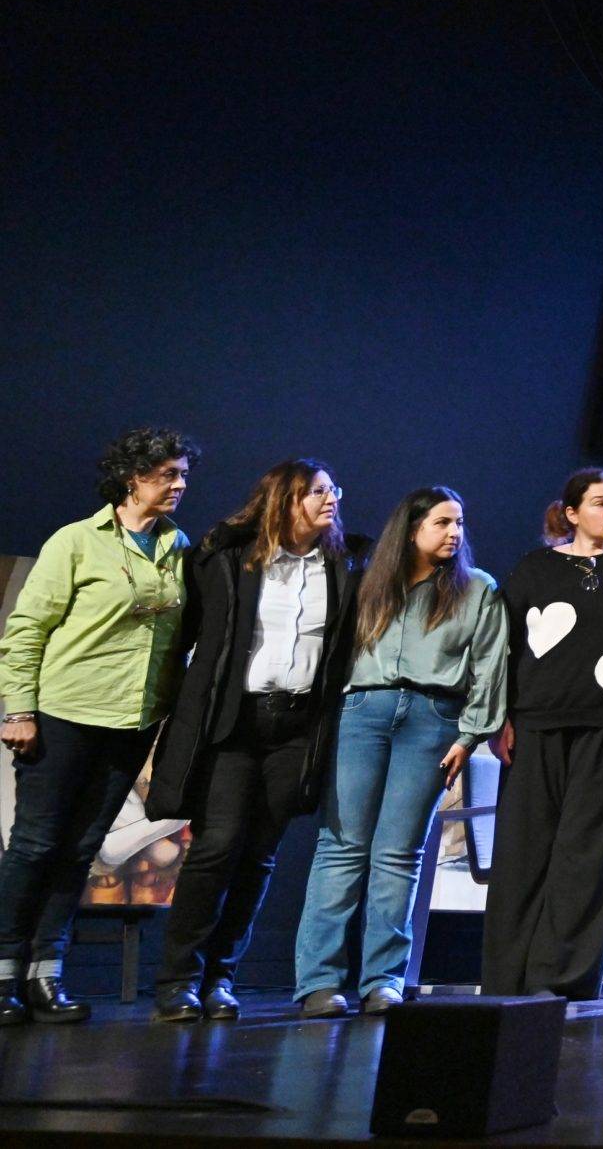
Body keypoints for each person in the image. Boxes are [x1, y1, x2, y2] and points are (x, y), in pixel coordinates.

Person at [147, 460, 364, 1023]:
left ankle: (221, 978)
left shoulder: (343, 565)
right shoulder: (231, 558)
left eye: (332, 490)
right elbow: (191, 632)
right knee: (217, 845)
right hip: (236, 723)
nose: (330, 499)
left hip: (296, 727)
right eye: (316, 492)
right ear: (284, 500)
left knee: (259, 856)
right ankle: (178, 980)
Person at [0, 426, 197, 1029]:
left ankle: (45, 974)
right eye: (168, 474)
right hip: (65, 713)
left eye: (183, 475)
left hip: (132, 720)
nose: (179, 484)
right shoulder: (77, 541)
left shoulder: (177, 545)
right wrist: (18, 710)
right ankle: (4, 971)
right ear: (132, 478)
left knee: (82, 848)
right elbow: (27, 628)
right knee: (36, 844)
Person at [291, 488, 507, 1016]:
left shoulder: (477, 589)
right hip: (362, 711)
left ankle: (383, 981)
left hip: (433, 720)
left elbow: (490, 667)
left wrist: (469, 736)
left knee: (398, 852)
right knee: (342, 846)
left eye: (459, 523)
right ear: (412, 529)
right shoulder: (367, 581)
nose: (454, 533)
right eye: (442, 523)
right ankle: (319, 982)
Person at [483, 468, 603, 1000]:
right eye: (600, 502)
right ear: (571, 513)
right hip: (535, 726)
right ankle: (507, 978)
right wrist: (500, 718)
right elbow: (502, 649)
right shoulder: (534, 568)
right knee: (523, 853)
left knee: (588, 856)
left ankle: (560, 979)